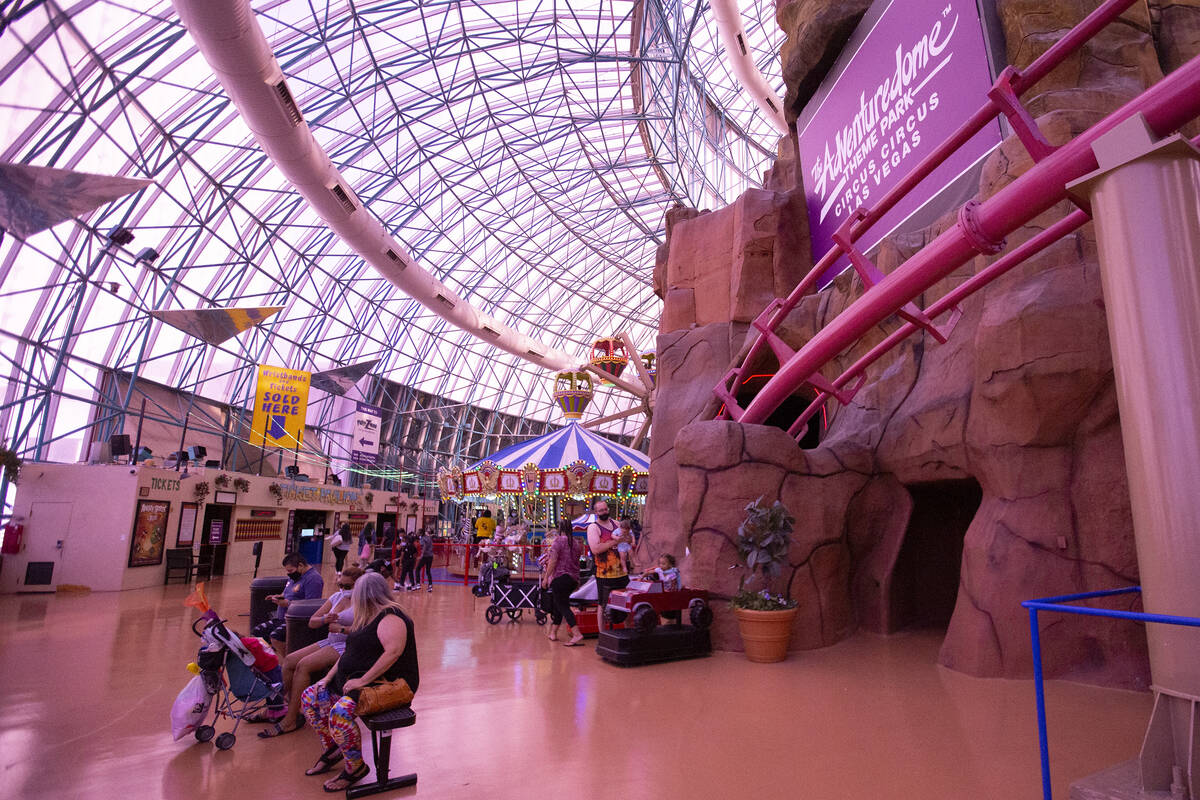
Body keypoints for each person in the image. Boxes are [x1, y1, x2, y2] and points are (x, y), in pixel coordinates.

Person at [300, 572, 419, 792]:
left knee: (340, 713)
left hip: (387, 684)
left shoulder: (391, 616)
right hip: (357, 679)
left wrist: (362, 680)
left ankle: (355, 767)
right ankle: (335, 748)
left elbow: (393, 653)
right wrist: (327, 678)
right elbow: (349, 650)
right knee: (310, 698)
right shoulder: (368, 616)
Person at [260, 566, 365, 738]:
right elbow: (312, 622)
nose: (343, 589)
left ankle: (292, 718)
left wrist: (341, 628)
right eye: (341, 585)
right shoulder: (337, 597)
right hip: (330, 640)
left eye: (348, 586)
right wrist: (325, 619)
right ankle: (277, 707)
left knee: (303, 666)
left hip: (346, 644)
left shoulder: (363, 603)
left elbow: (366, 630)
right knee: (289, 661)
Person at [253, 552, 324, 653]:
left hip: (296, 621)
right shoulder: (293, 576)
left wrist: (288, 604)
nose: (289, 574)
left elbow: (310, 605)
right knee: (257, 632)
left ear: (300, 565)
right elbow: (287, 592)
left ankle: (287, 663)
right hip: (281, 618)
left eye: (291, 570)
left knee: (276, 637)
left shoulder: (313, 579)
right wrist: (279, 597)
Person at [586, 499, 628, 631]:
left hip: (621, 571)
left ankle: (628, 630)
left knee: (626, 601)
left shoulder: (616, 524)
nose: (604, 512)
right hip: (605, 573)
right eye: (601, 510)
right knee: (602, 604)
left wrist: (627, 539)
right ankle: (602, 632)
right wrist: (614, 542)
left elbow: (627, 538)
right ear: (596, 512)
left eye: (605, 509)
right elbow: (596, 549)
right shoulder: (594, 527)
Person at [541, 518, 583, 646]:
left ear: (560, 529)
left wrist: (546, 577)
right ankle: (553, 632)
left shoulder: (558, 541)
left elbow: (553, 561)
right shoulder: (576, 543)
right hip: (573, 579)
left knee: (563, 606)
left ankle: (577, 634)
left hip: (560, 578)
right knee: (559, 604)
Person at [416, 527, 435, 591]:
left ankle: (418, 584)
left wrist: (422, 555)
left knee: (417, 569)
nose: (417, 533)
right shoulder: (428, 537)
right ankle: (430, 585)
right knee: (428, 571)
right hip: (430, 556)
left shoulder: (422, 539)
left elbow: (424, 546)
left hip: (425, 556)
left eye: (418, 532)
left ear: (421, 533)